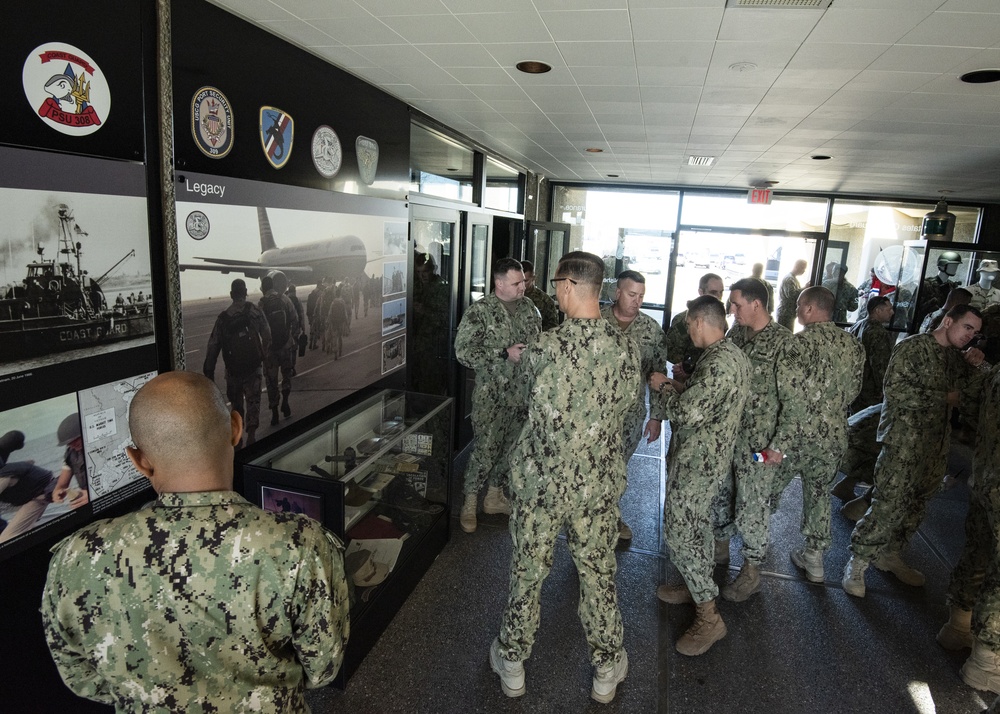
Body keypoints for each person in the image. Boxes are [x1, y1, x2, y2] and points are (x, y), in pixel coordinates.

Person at [41, 372, 350, 712]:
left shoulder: (78, 557)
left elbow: (83, 679)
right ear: (236, 427)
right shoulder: (302, 546)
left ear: (139, 460)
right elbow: (323, 668)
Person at [489, 251, 640, 704]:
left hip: (541, 487)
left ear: (571, 286)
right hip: (596, 488)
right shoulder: (627, 349)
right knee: (597, 574)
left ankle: (512, 662)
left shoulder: (543, 348)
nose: (553, 289)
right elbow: (626, 409)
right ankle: (607, 668)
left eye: (556, 282)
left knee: (527, 571)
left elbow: (519, 405)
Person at [843, 304, 986, 597]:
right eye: (967, 328)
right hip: (903, 441)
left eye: (975, 333)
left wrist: (975, 366)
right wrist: (946, 397)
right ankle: (858, 561)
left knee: (917, 505)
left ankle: (891, 553)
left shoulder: (955, 360)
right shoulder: (913, 348)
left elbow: (971, 396)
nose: (970, 336)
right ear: (948, 321)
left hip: (935, 445)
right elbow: (896, 391)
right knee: (887, 503)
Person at [650, 296, 750, 656]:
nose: (688, 330)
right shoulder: (729, 355)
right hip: (707, 459)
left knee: (679, 531)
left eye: (690, 324)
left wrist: (662, 385)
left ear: (699, 322)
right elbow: (703, 401)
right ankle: (696, 585)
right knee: (698, 528)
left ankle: (709, 616)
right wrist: (682, 384)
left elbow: (689, 412)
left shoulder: (721, 362)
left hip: (698, 463)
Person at [716, 277, 801, 602]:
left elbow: (795, 402)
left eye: (737, 304)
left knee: (752, 504)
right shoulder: (736, 333)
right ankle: (719, 549)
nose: (732, 309)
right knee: (722, 493)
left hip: (759, 444)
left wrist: (779, 445)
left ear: (757, 304)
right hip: (728, 436)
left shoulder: (784, 343)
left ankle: (751, 571)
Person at [777, 286, 864, 583]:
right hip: (833, 436)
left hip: (794, 436)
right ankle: (814, 559)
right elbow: (853, 391)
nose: (798, 311)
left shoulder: (795, 344)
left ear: (811, 309)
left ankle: (754, 543)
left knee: (767, 484)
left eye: (800, 306)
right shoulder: (853, 345)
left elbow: (786, 395)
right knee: (818, 494)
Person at [455, 258, 541, 533]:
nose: (523, 287)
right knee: (485, 450)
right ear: (499, 283)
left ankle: (494, 497)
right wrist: (503, 353)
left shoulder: (531, 310)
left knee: (510, 450)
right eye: (516, 283)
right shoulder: (479, 312)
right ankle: (469, 502)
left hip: (522, 396)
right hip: (491, 396)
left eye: (524, 282)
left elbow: (538, 346)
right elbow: (463, 352)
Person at [939, 365, 1000, 693]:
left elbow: (971, 410)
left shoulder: (994, 374)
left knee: (977, 554)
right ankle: (987, 661)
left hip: (986, 478)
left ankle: (958, 626)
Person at [601, 270, 668, 541]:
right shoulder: (596, 321)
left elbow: (658, 375)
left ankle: (611, 517)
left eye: (641, 296)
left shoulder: (651, 331)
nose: (636, 301)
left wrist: (656, 418)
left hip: (630, 415)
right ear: (617, 293)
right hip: (592, 414)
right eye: (631, 295)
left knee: (618, 468)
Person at [203, 278, 270, 446]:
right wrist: (262, 354)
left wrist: (209, 371)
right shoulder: (254, 311)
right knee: (253, 401)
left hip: (233, 371)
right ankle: (252, 434)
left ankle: (238, 437)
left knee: (236, 404)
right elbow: (267, 334)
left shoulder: (223, 319)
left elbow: (213, 346)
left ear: (231, 294)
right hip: (253, 368)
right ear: (245, 292)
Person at [259, 271, 299, 426]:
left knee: (271, 381)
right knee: (286, 376)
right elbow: (295, 320)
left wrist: (263, 348)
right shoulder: (285, 299)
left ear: (263, 288)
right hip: (286, 346)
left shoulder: (261, 304)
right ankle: (286, 402)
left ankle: (275, 412)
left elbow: (257, 328)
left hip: (270, 350)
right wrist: (292, 338)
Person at [665, 272, 724, 369]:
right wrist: (687, 369)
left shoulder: (720, 319)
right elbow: (673, 353)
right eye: (713, 292)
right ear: (701, 292)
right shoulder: (683, 321)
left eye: (721, 292)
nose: (719, 296)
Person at [848, 295, 894, 413]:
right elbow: (880, 364)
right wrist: (882, 389)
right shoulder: (879, 333)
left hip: (854, 384)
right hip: (869, 390)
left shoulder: (857, 325)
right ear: (878, 311)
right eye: (889, 309)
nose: (892, 312)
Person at [520, 260, 559, 331]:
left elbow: (553, 327)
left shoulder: (545, 300)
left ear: (533, 278)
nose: (522, 284)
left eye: (525, 281)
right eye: (519, 280)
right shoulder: (510, 295)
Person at [776, 259, 807, 330]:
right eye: (802, 268)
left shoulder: (793, 278)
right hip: (785, 313)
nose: (804, 271)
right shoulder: (789, 279)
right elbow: (791, 295)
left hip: (788, 313)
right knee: (784, 335)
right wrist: (805, 288)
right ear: (796, 266)